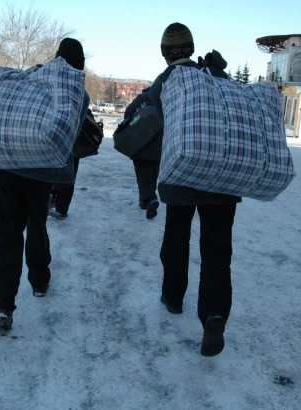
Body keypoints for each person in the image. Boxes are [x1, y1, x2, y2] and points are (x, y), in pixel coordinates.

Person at [149, 23, 241, 356]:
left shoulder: (164, 83)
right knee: (217, 250)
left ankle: (173, 297)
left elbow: (154, 124)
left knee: (176, 236)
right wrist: (217, 72)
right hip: (223, 177)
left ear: (164, 53)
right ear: (191, 47)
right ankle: (214, 313)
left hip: (182, 175)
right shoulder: (215, 75)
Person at [0, 38, 90, 331]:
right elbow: (70, 136)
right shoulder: (76, 92)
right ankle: (40, 281)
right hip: (41, 170)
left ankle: (2, 306)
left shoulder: (28, 75)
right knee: (36, 223)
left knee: (5, 232)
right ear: (79, 66)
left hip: (6, 165)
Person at [123, 88, 162, 219]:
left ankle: (150, 199)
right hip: (159, 142)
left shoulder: (143, 97)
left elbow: (128, 112)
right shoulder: (163, 98)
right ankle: (145, 201)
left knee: (142, 174)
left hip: (140, 141)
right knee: (153, 173)